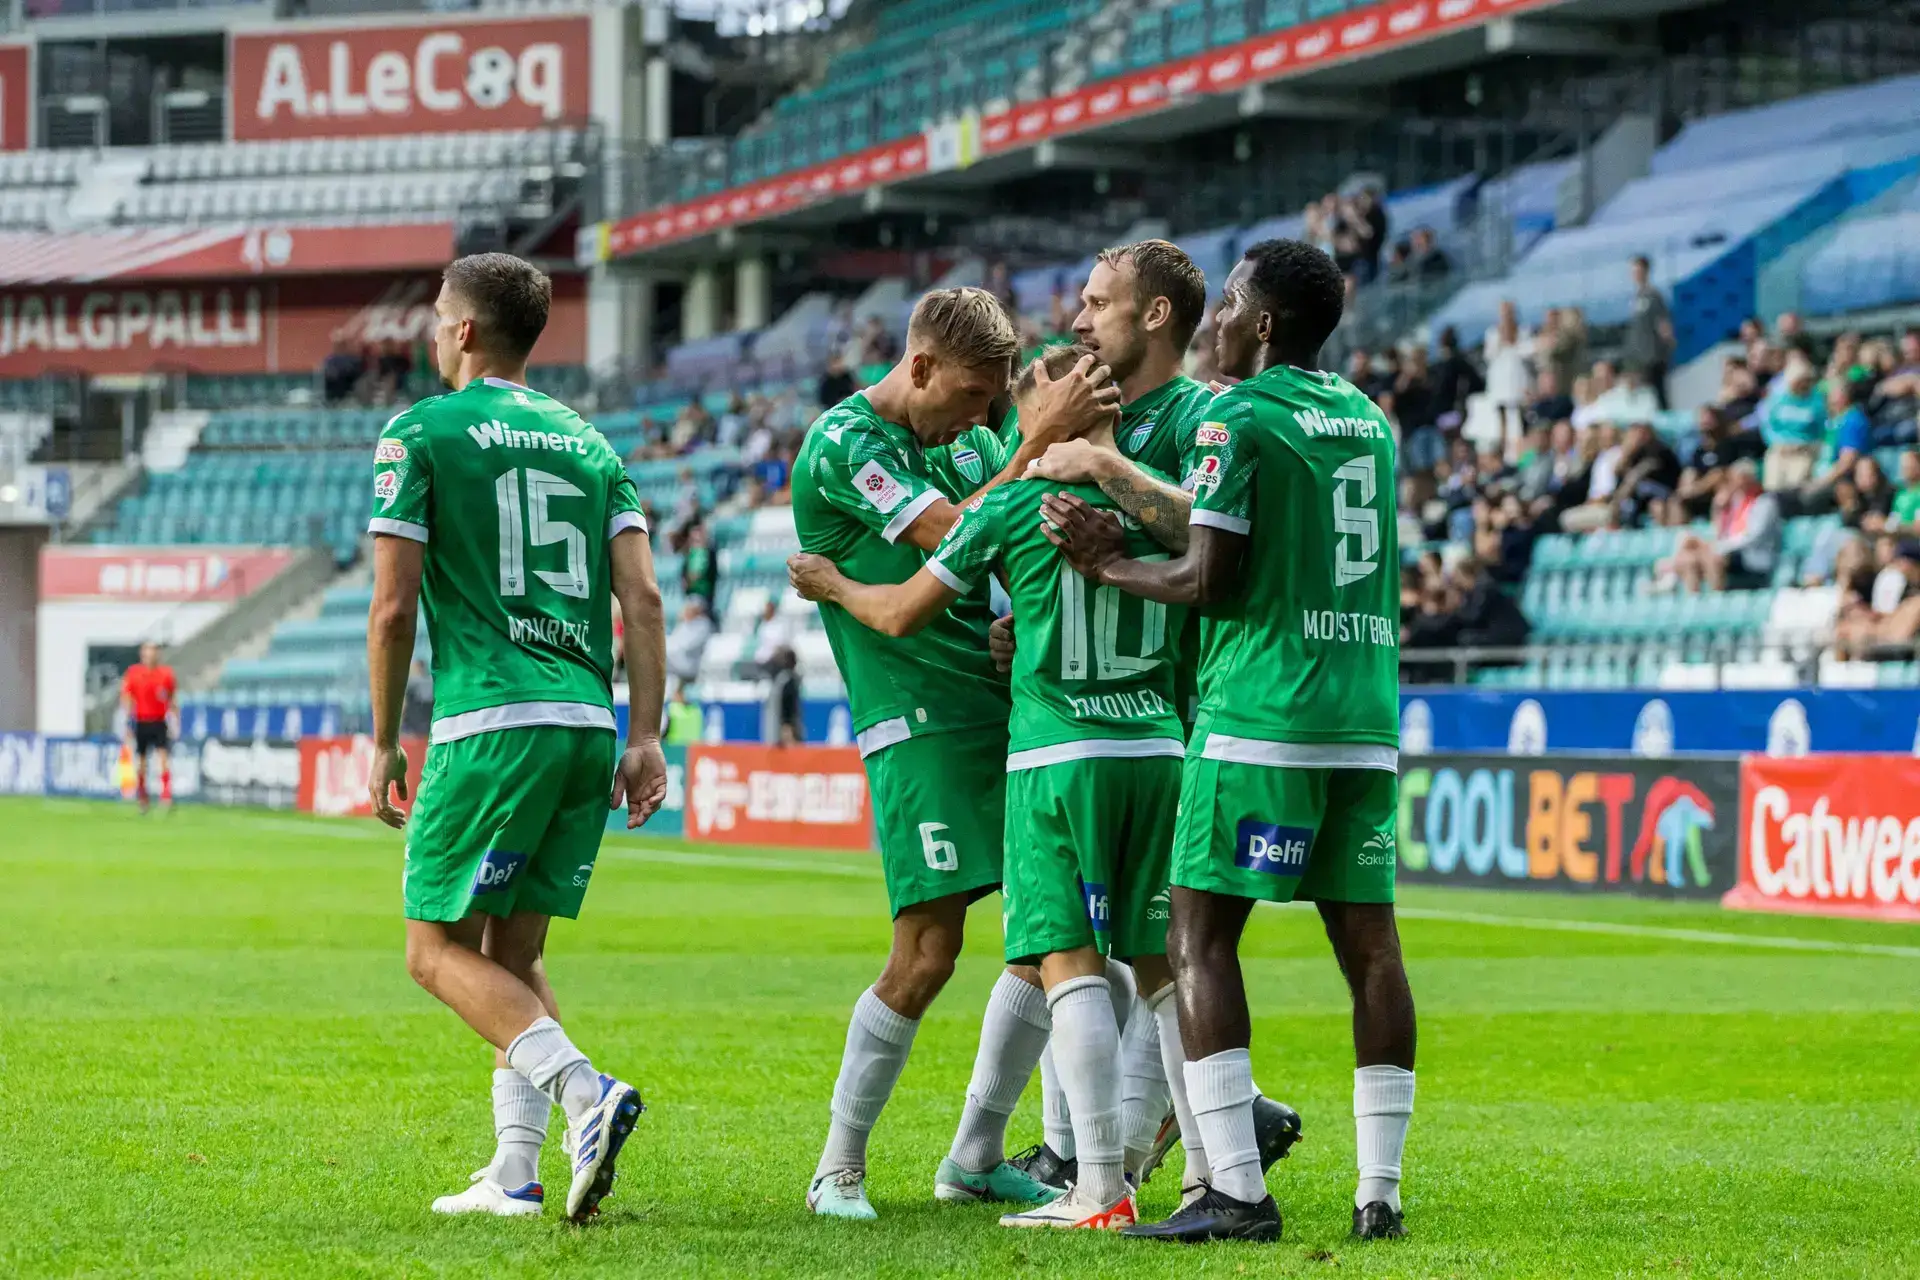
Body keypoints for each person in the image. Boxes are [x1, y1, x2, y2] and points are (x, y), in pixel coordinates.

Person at [1044, 239, 1414, 1244]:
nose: (1215, 317)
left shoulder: (1236, 416)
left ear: (1258, 322)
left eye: (1231, 302)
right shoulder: (1369, 421)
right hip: (1366, 714)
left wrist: (1107, 562)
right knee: (1370, 947)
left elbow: (1210, 578)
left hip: (1261, 710)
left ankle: (1235, 1190)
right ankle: (1378, 1193)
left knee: (1194, 935)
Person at [789, 286, 1120, 1220]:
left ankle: (975, 1153)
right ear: (921, 366)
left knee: (1049, 934)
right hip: (919, 720)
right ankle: (837, 1168)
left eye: (996, 401)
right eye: (972, 393)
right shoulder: (845, 445)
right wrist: (1026, 443)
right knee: (929, 949)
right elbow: (953, 535)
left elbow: (1003, 553)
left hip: (1010, 715)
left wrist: (1014, 619)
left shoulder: (971, 438)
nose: (981, 416)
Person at [363, 252, 670, 1224]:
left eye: (436, 316)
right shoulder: (591, 443)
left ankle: (587, 1093)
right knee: (514, 951)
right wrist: (649, 733)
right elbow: (646, 598)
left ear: (461, 332)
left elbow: (390, 607)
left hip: (492, 717)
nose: (431, 330)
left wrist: (383, 738)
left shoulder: (419, 431)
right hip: (586, 718)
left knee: (431, 949)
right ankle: (517, 1171)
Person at [1008, 243, 1304, 1199]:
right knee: (1088, 956)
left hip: (1181, 722)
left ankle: (1159, 1167)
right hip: (1100, 716)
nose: (1080, 318)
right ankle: (1130, 1152)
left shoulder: (1208, 415)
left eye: (1100, 303)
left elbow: (1206, 538)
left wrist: (1101, 466)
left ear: (1157, 318)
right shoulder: (1094, 411)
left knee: (1154, 962)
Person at [1660, 459, 1780, 591]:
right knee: (1688, 556)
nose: (1733, 484)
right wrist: (1718, 509)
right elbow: (1720, 533)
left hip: (1752, 557)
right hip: (1731, 552)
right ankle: (1691, 598)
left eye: (1736, 479)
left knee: (1713, 557)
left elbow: (1752, 536)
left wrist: (1720, 546)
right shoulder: (1735, 502)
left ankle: (1715, 595)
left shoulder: (1764, 502)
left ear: (1748, 479)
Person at [119, 642, 177, 814]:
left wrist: (175, 720)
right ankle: (143, 796)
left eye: (152, 652)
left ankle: (166, 796)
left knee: (163, 757)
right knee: (141, 762)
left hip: (159, 721)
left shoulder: (165, 674)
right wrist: (128, 721)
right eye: (147, 652)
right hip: (142, 721)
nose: (149, 655)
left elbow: (172, 698)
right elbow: (127, 696)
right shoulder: (134, 673)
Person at [1625, 256, 1675, 409]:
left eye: (1638, 271)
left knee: (1658, 391)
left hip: (1653, 353)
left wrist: (1668, 342)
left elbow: (1662, 322)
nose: (1635, 274)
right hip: (1639, 353)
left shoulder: (1653, 295)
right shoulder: (1636, 297)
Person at [762, 646, 804, 745]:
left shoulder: (785, 681)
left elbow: (788, 710)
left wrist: (788, 733)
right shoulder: (784, 680)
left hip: (782, 737)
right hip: (779, 737)